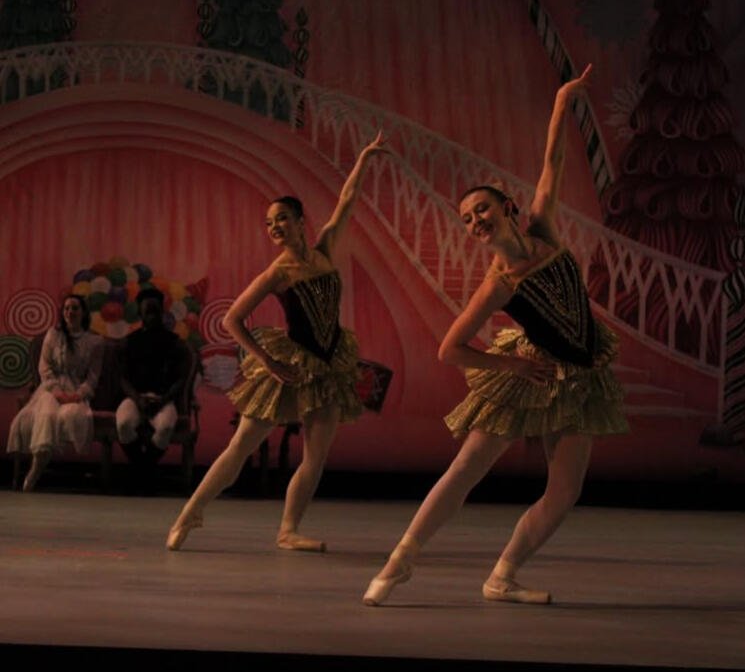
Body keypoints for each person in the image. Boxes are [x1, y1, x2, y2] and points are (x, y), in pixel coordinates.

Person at [363, 65, 628, 606]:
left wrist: (562, 101)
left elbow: (552, 163)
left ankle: (502, 576)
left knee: (565, 490)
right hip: (530, 374)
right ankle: (399, 561)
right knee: (466, 469)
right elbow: (450, 349)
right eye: (465, 219)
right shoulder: (498, 284)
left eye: (480, 209)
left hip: (579, 376)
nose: (474, 221)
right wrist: (513, 366)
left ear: (506, 206)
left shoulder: (543, 228)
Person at [167, 131, 390, 552]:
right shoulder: (278, 272)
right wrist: (267, 362)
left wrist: (363, 158)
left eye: (282, 218)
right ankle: (190, 513)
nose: (274, 227)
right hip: (291, 365)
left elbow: (348, 200)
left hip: (327, 367)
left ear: (300, 221)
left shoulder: (324, 249)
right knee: (240, 447)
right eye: (269, 223)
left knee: (316, 457)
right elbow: (232, 319)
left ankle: (288, 529)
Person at [7, 295, 103, 491]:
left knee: (69, 414)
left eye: (75, 308)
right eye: (66, 308)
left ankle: (37, 467)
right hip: (51, 389)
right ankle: (36, 468)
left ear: (83, 312)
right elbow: (45, 367)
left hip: (76, 391)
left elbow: (93, 376)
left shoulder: (94, 341)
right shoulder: (53, 335)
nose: (70, 312)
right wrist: (57, 391)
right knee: (47, 413)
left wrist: (78, 395)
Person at [116, 288, 188, 484]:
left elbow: (181, 379)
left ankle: (141, 471)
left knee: (165, 427)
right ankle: (145, 471)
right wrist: (137, 399)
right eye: (148, 311)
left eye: (156, 311)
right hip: (135, 398)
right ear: (140, 313)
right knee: (123, 424)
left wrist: (164, 400)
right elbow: (123, 378)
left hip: (163, 399)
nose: (152, 315)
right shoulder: (129, 342)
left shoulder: (174, 343)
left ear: (162, 312)